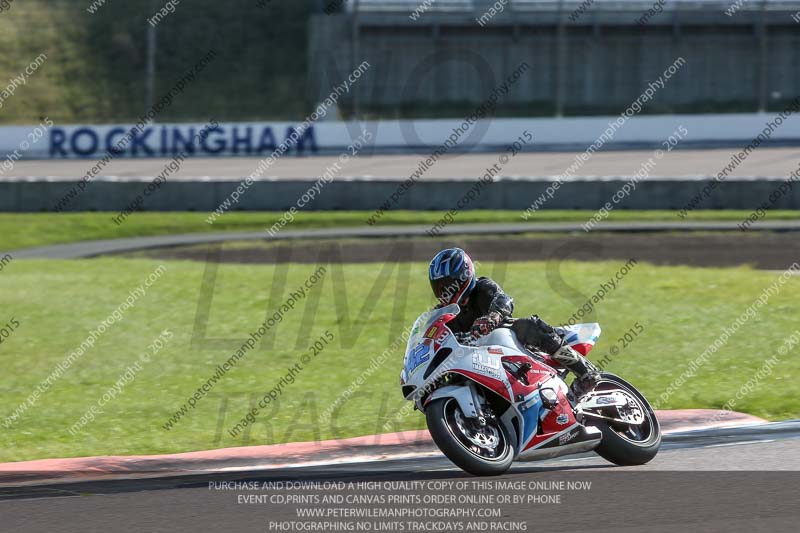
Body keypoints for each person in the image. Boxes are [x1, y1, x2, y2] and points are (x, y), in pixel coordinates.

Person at [428, 247, 600, 396]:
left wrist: (492, 318)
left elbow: (503, 301)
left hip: (506, 341)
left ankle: (586, 373)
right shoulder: (444, 313)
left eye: (447, 285)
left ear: (463, 276)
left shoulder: (482, 287)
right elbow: (433, 339)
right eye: (439, 287)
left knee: (528, 325)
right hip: (475, 358)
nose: (444, 291)